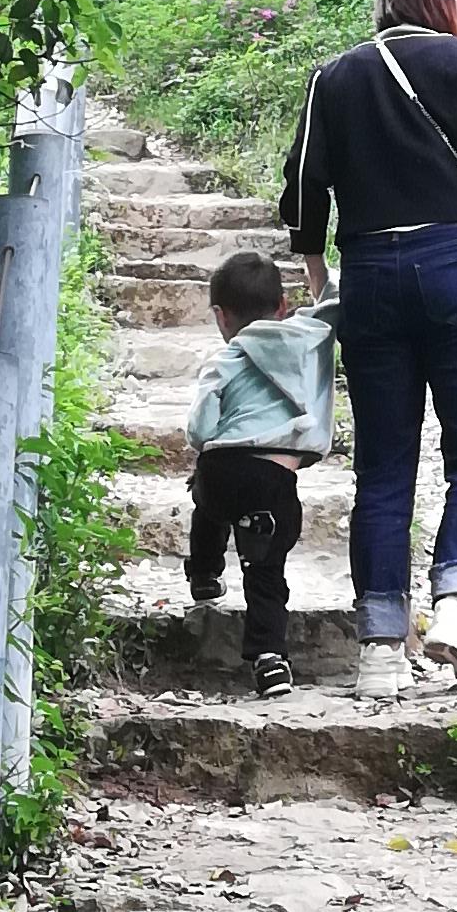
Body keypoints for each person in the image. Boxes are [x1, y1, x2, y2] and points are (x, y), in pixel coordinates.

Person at [281, 0, 457, 702]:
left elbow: (301, 189)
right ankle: (455, 603)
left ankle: (381, 647)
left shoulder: (335, 75)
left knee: (385, 467)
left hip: (373, 276)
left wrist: (321, 276)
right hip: (456, 264)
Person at [180, 249, 336, 702]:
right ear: (284, 306)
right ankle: (270, 658)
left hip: (223, 469)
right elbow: (338, 299)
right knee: (266, 568)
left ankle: (206, 573)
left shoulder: (224, 360)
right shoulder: (313, 337)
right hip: (274, 475)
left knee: (207, 499)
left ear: (219, 315)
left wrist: (207, 443)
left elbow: (201, 428)